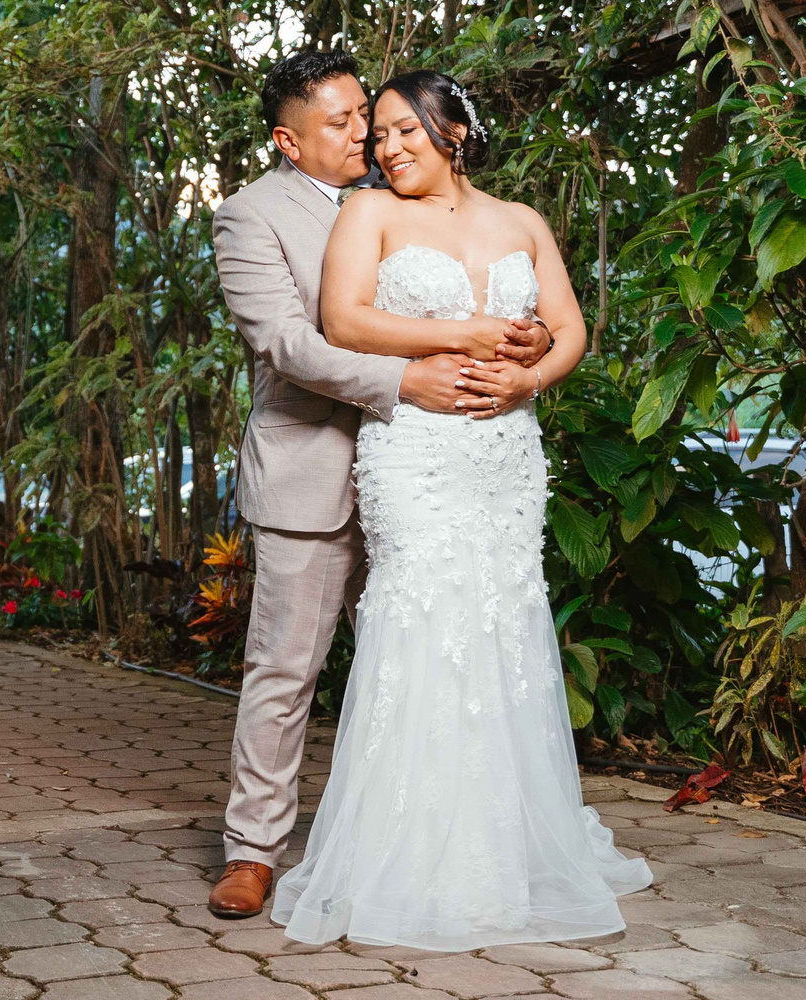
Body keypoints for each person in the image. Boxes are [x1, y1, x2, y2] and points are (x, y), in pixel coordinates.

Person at [269, 69, 651, 950]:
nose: (389, 147)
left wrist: (529, 373)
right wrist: (465, 335)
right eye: (382, 135)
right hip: (417, 451)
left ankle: (507, 845)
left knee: (504, 620)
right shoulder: (370, 215)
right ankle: (407, 855)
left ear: (458, 132)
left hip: (506, 454)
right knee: (422, 613)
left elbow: (571, 328)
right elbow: (342, 320)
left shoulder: (522, 222)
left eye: (407, 130)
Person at [205, 50, 553, 922]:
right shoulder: (249, 217)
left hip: (430, 468)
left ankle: (430, 841)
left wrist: (525, 342)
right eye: (342, 120)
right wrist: (405, 381)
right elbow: (289, 344)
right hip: (316, 464)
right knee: (286, 667)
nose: (366, 132)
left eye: (369, 113)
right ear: (288, 141)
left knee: (433, 658)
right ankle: (253, 850)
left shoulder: (411, 193)